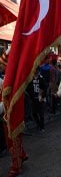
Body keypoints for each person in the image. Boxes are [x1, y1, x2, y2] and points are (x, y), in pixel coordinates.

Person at [0, 48, 28, 176]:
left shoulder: (12, 80)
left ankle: (16, 166)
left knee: (13, 141)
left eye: (2, 64)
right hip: (11, 114)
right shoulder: (10, 78)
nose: (0, 66)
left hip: (11, 116)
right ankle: (22, 155)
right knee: (15, 140)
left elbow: (8, 101)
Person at [26, 67, 46, 132]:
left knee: (41, 114)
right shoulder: (31, 79)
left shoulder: (41, 78)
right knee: (34, 113)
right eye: (34, 70)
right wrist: (31, 95)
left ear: (38, 70)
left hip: (40, 99)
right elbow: (28, 88)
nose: (35, 71)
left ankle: (42, 127)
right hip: (33, 99)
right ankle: (39, 124)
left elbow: (45, 88)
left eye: (36, 70)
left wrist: (42, 96)